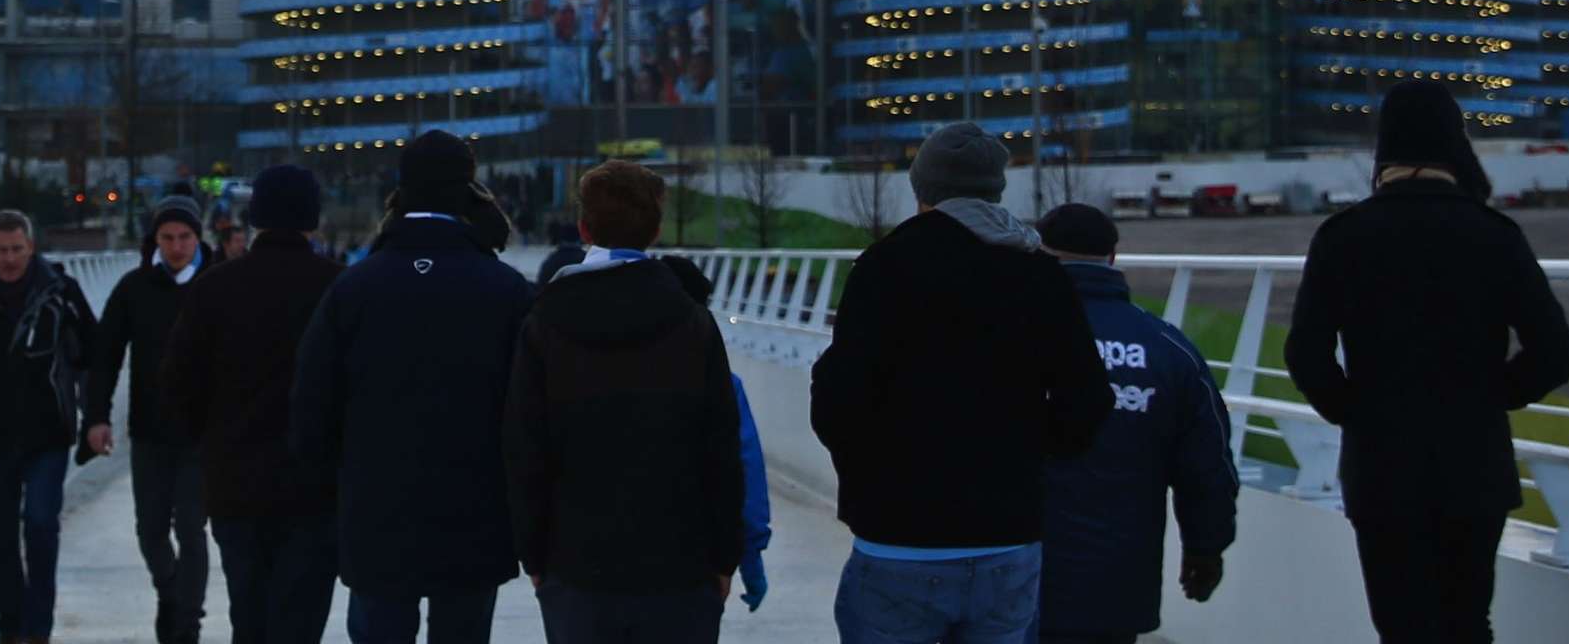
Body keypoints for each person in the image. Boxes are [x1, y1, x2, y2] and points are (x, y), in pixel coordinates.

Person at [1285, 82, 1569, 644]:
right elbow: (1556, 351)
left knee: (1401, 624)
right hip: (1473, 462)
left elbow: (1305, 353)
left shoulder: (1343, 237)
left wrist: (1356, 410)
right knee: (1467, 619)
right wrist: (1492, 395)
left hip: (1381, 466)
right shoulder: (1493, 234)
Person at [812, 124, 1109, 644]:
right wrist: (1026, 459)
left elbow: (839, 401)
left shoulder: (884, 267)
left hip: (898, 538)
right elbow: (1086, 400)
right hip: (1007, 538)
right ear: (996, 190)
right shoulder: (1038, 274)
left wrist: (874, 480)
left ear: (920, 189)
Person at [294, 131, 535, 644]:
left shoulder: (354, 288)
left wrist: (328, 499)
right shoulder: (508, 290)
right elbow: (532, 412)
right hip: (476, 515)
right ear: (468, 192)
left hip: (375, 515)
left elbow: (313, 403)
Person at [503, 161, 745, 644]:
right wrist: (724, 557)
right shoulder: (693, 323)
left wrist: (535, 556)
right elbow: (720, 449)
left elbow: (525, 448)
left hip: (576, 568)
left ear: (584, 228)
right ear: (655, 231)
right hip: (681, 568)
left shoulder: (545, 323)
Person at [1031, 204, 1236, 644]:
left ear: (1040, 256)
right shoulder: (1167, 348)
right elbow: (1207, 464)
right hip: (1118, 585)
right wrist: (1206, 547)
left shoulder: (1004, 337)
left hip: (1010, 574)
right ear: (1113, 260)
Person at [166, 165, 342, 644]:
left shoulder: (213, 288)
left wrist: (206, 448)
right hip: (315, 488)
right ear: (312, 219)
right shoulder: (339, 287)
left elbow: (181, 385)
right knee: (300, 620)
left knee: (251, 614)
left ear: (255, 217)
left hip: (235, 483)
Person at [0, 209, 100, 644]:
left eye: (17, 250)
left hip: (49, 435)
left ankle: (37, 629)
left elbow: (90, 357)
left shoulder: (61, 295)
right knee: (1, 536)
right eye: (1, 251)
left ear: (32, 249)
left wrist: (92, 420)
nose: (10, 259)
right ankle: (11, 626)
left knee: (42, 524)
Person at [90, 196, 216, 644]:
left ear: (198, 237)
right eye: (168, 238)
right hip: (149, 430)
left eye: (185, 237)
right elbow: (105, 356)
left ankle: (187, 623)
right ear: (155, 240)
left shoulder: (217, 285)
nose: (178, 246)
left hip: (203, 432)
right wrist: (97, 416)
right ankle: (173, 595)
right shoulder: (134, 289)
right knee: (151, 530)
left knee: (190, 527)